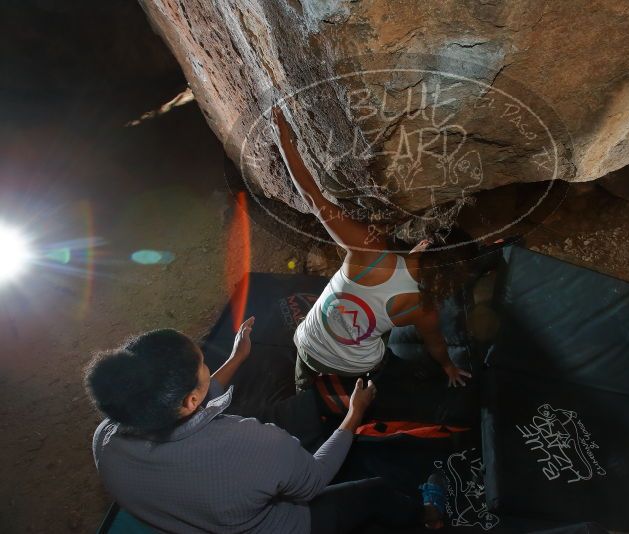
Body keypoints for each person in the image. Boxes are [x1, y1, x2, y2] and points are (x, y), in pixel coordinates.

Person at [85, 318, 449, 533]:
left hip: (194, 517)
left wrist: (236, 358)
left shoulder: (107, 437)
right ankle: (429, 517)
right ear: (190, 401)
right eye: (201, 363)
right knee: (376, 490)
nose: (206, 368)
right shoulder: (249, 443)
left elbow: (186, 400)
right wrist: (354, 413)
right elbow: (315, 479)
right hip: (284, 526)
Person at [271, 104, 473, 391]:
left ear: (426, 243)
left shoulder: (371, 251)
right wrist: (448, 367)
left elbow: (314, 200)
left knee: (308, 362)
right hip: (357, 364)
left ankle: (303, 390)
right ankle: (373, 382)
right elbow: (437, 346)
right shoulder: (424, 310)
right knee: (380, 336)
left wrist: (284, 139)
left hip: (308, 344)